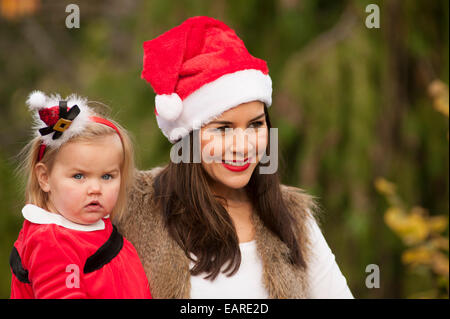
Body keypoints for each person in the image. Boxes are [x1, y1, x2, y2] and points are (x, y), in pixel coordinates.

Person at [116, 16, 354, 298]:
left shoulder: (292, 217)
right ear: (188, 136)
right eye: (223, 129)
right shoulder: (132, 209)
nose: (243, 147)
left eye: (255, 125)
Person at [10, 91, 152, 299]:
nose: (95, 188)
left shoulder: (89, 222)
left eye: (107, 176)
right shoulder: (52, 242)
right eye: (79, 176)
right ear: (45, 178)